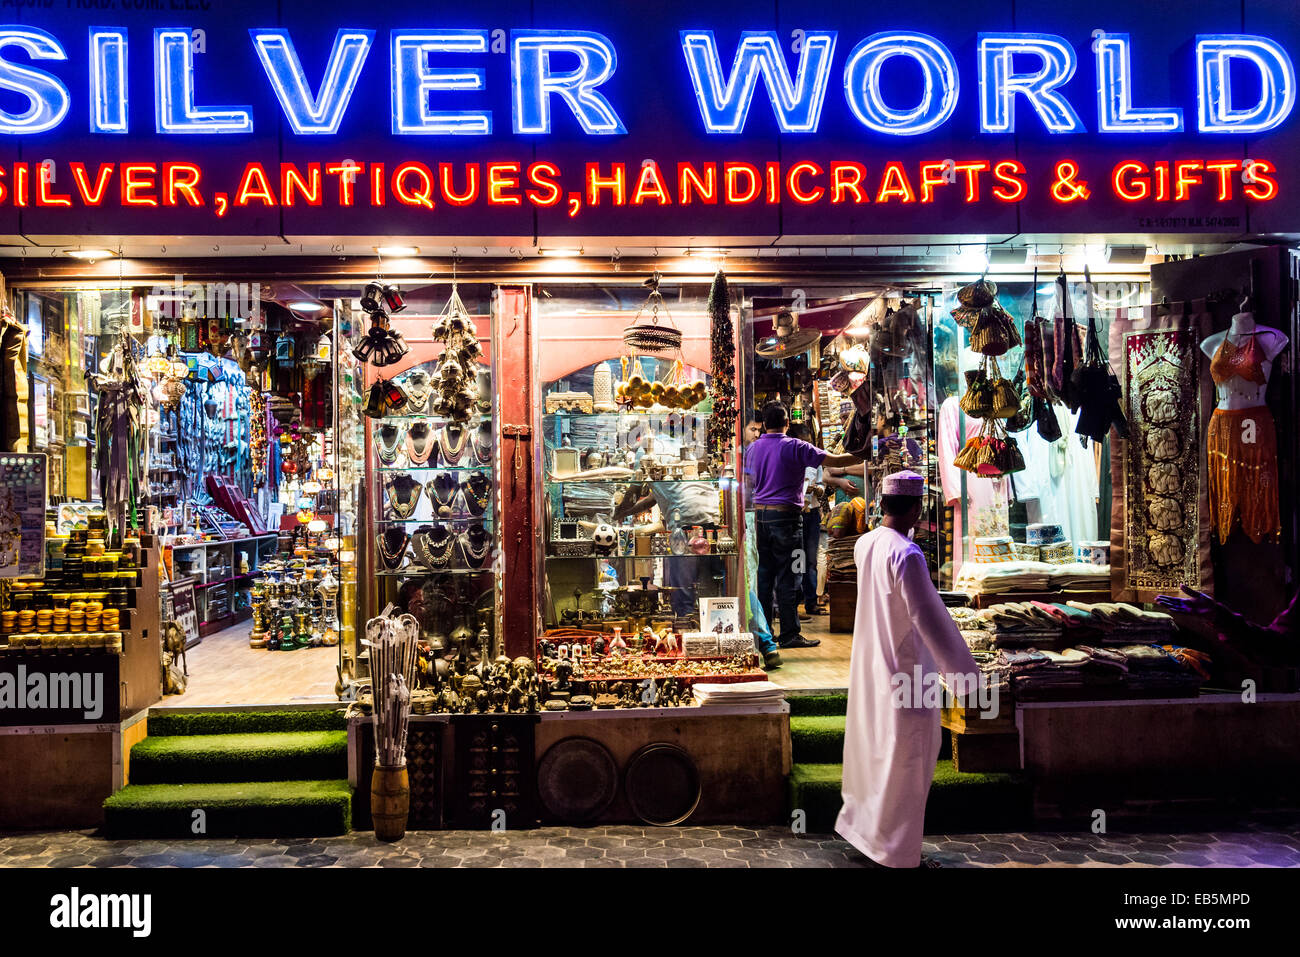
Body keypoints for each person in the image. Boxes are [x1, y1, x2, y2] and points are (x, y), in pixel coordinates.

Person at [836, 470, 977, 868]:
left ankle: (869, 835)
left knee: (876, 753)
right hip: (907, 673)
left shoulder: (867, 543)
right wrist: (967, 677)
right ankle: (897, 853)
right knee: (908, 758)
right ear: (916, 508)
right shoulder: (907, 554)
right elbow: (930, 619)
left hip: (875, 665)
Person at [744, 400, 862, 649]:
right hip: (787, 520)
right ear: (787, 423)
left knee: (764, 576)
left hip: (761, 519)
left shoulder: (753, 449)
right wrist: (866, 452)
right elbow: (836, 460)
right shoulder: (796, 446)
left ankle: (764, 635)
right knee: (790, 574)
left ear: (765, 424)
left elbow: (747, 483)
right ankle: (789, 633)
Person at [613, 481, 721, 619]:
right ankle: (709, 627)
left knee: (684, 593)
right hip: (712, 524)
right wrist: (622, 513)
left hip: (686, 527)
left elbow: (632, 495)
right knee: (711, 589)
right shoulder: (679, 463)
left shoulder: (646, 461)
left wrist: (614, 512)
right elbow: (652, 499)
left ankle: (686, 628)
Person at [741, 413, 782, 670]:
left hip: (751, 520)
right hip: (751, 519)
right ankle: (764, 643)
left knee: (748, 585)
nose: (756, 434)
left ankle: (765, 643)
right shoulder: (746, 453)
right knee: (749, 585)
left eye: (759, 429)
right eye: (752, 429)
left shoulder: (754, 453)